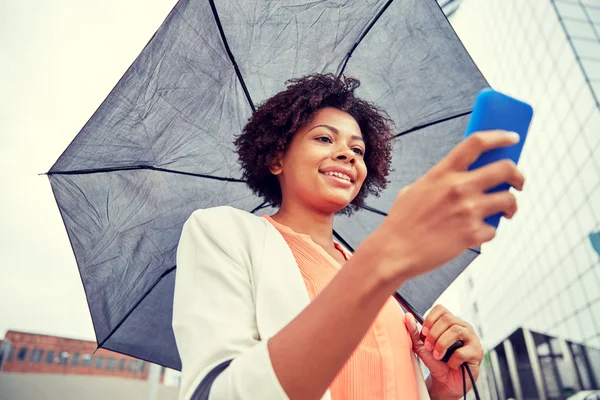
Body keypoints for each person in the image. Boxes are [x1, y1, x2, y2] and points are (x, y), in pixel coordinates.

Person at [172, 74, 524, 400]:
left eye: (358, 150)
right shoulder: (223, 232)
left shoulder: (384, 286)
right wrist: (380, 261)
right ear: (277, 157)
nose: (347, 154)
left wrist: (441, 388)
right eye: (324, 138)